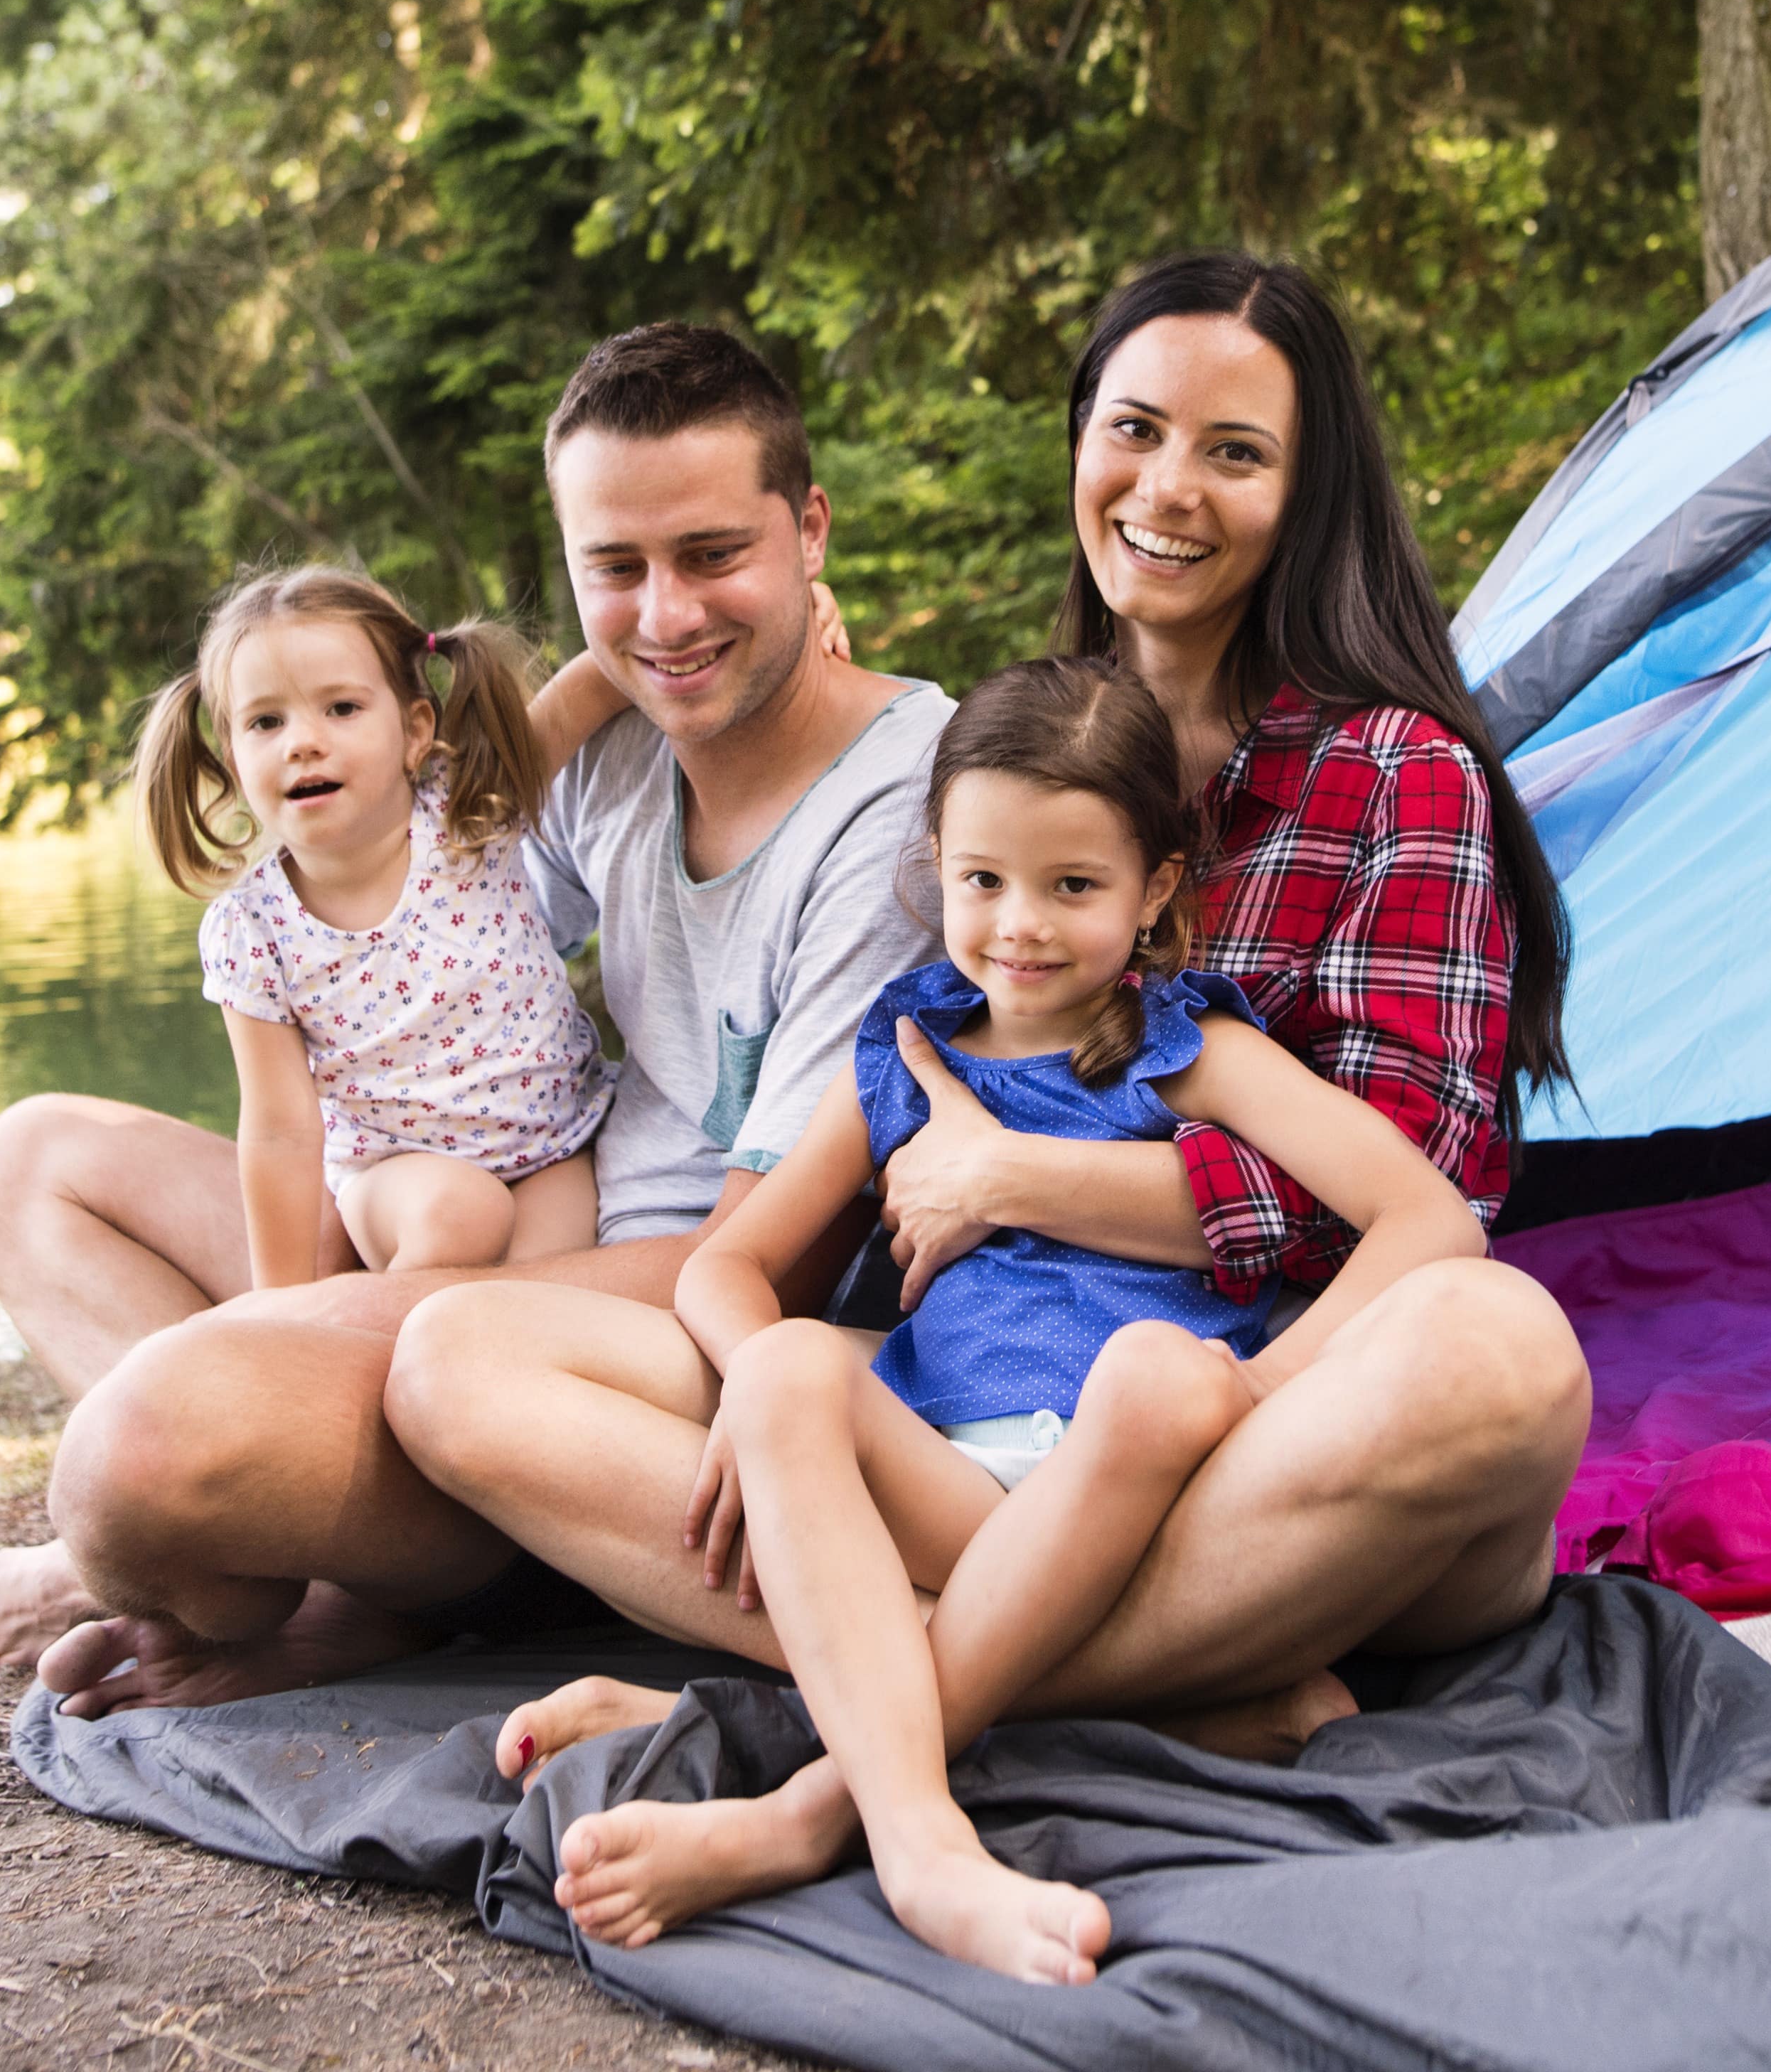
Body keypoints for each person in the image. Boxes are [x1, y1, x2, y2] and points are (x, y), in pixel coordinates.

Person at [389, 249, 1589, 1784]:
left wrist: (1017, 1182)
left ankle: (825, 1722)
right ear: (1081, 436)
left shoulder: (1389, 770)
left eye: (1235, 452)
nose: (1166, 486)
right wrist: (588, 683)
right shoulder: (1013, 739)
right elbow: (816, 1181)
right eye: (1134, 429)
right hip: (963, 1412)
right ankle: (1126, 1691)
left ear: (1308, 490)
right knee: (453, 1355)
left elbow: (1424, 1198)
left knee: (1500, 1351)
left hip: (1261, 1423)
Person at [0, 323, 952, 1694]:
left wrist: (357, 1320)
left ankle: (299, 1556)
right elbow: (442, 902)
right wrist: (346, 1249)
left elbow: (780, 1257)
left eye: (712, 555)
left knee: (129, 1465)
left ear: (808, 531)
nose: (666, 616)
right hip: (482, 1248)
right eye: (613, 569)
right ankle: (330, 1552)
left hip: (652, 1346)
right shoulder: (627, 740)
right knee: (29, 1167)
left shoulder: (904, 816)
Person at [493, 656, 1494, 1980]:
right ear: (937, 866)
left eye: (1072, 886)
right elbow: (722, 1270)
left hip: (1147, 1488)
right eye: (983, 881)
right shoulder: (910, 1043)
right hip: (950, 1479)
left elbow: (1428, 1218)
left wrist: (1262, 1391)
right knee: (792, 1366)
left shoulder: (1187, 1048)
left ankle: (822, 1807)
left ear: (1154, 893)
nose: (1019, 925)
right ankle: (953, 1807)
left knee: (1157, 1372)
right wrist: (750, 1376)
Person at [139, 567, 620, 1281]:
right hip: (398, 1179)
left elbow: (599, 681)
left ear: (414, 730)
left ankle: (420, 1369)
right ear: (234, 759)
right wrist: (281, 1305)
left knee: (536, 1294)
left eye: (340, 708)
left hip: (558, 1145)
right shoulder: (254, 929)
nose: (301, 741)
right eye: (265, 722)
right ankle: (361, 1338)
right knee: (462, 1212)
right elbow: (277, 1131)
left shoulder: (473, 817)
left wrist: (797, 622)